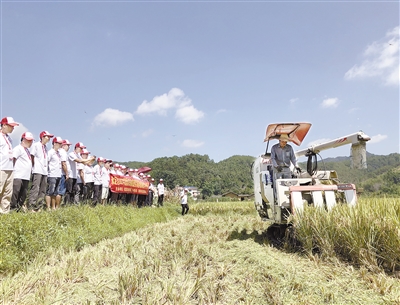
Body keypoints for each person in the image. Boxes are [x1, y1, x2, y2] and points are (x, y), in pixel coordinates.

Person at [28, 130, 54, 211]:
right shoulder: (36, 145)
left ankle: (39, 206)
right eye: (47, 137)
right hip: (37, 170)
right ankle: (31, 206)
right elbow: (32, 156)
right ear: (43, 137)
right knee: (35, 188)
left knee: (42, 189)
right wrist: (34, 166)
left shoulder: (46, 148)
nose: (49, 138)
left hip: (44, 171)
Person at [0, 117, 19, 214]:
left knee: (7, 192)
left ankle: (4, 212)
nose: (13, 128)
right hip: (1, 168)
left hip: (10, 168)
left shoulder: (9, 138)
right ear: (4, 125)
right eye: (11, 126)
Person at [11, 132, 34, 211]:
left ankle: (18, 208)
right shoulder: (18, 148)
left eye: (31, 141)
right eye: (29, 140)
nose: (30, 142)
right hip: (18, 175)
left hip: (26, 176)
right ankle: (12, 208)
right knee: (15, 192)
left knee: (23, 194)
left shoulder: (27, 150)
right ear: (23, 140)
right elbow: (13, 159)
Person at [45, 136, 63, 210]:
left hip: (58, 174)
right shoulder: (50, 152)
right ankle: (48, 207)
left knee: (55, 192)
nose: (60, 145)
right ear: (54, 143)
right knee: (50, 191)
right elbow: (47, 161)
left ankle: (53, 207)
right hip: (52, 174)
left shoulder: (58, 153)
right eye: (59, 143)